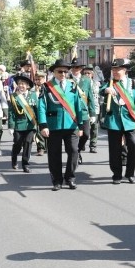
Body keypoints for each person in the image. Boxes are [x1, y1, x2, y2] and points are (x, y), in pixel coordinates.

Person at [37, 59, 85, 191]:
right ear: (54, 72)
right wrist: (43, 125)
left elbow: (77, 105)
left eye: (65, 71)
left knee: (74, 151)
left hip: (71, 125)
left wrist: (80, 125)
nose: (63, 74)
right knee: (54, 154)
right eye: (60, 71)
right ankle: (57, 180)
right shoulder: (46, 87)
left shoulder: (73, 85)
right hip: (54, 125)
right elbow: (41, 107)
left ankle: (70, 177)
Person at [100, 59, 135, 184]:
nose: (114, 72)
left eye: (117, 69)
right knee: (114, 149)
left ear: (124, 70)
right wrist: (106, 90)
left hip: (130, 120)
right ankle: (117, 174)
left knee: (133, 145)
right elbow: (101, 90)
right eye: (113, 69)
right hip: (114, 120)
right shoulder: (110, 83)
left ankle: (130, 173)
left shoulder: (133, 83)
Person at [7, 74, 38, 173]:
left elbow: (37, 110)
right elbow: (11, 112)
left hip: (30, 124)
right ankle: (14, 157)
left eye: (23, 84)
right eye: (19, 84)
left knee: (28, 143)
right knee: (18, 143)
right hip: (18, 124)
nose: (21, 86)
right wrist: (11, 126)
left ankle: (25, 164)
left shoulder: (33, 95)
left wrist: (40, 124)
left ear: (28, 86)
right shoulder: (14, 97)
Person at [70, 58, 97, 163]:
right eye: (73, 67)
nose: (75, 69)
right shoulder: (67, 79)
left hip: (83, 112)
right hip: (71, 112)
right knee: (74, 135)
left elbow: (90, 97)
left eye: (77, 67)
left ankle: (78, 151)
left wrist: (93, 113)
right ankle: (75, 154)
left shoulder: (86, 80)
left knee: (85, 134)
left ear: (81, 68)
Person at [80, 65, 101, 154]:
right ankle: (82, 144)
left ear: (92, 74)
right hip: (85, 109)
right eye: (85, 73)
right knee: (85, 129)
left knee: (94, 127)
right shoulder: (81, 83)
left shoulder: (97, 83)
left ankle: (93, 145)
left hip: (95, 108)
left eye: (89, 73)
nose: (87, 75)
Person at [33, 70, 48, 156]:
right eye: (36, 79)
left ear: (44, 79)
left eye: (40, 79)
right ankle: (41, 148)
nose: (38, 81)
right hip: (36, 112)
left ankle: (47, 146)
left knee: (48, 130)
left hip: (47, 112)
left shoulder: (48, 88)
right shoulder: (32, 89)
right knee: (39, 131)